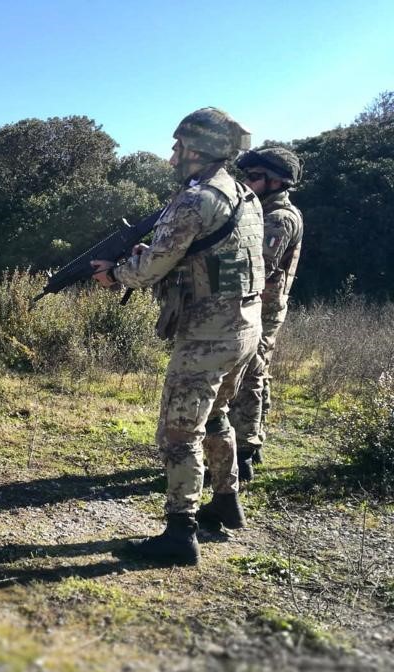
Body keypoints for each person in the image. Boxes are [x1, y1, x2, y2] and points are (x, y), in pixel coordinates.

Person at [91, 107, 264, 564]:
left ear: (197, 149)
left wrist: (117, 276)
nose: (171, 158)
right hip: (245, 326)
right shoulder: (245, 195)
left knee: (178, 433)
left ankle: (179, 534)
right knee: (217, 416)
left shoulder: (194, 200)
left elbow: (153, 266)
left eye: (177, 148)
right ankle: (225, 503)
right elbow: (213, 257)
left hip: (207, 334)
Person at [229, 146, 305, 480]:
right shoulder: (260, 211)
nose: (246, 182)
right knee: (257, 372)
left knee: (250, 374)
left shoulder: (278, 218)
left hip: (262, 307)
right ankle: (253, 442)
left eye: (254, 176)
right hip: (258, 304)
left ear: (276, 182)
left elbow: (255, 267)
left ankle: (243, 452)